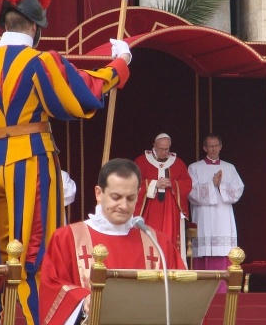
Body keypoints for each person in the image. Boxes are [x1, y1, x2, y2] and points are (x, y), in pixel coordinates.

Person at [0, 0, 131, 324]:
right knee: (33, 255)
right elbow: (80, 95)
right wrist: (119, 64)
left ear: (5, 24)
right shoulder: (40, 63)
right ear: (35, 26)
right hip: (31, 163)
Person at [39, 158, 185, 325]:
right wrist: (81, 300)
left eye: (130, 198)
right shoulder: (67, 238)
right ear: (99, 193)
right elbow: (51, 287)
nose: (123, 206)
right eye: (116, 197)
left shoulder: (157, 242)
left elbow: (180, 294)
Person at [187, 133, 244, 291]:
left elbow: (238, 190)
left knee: (223, 252)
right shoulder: (194, 168)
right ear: (204, 148)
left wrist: (220, 186)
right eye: (210, 146)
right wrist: (211, 184)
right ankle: (202, 291)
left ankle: (224, 291)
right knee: (204, 253)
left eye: (216, 145)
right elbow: (191, 192)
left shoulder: (229, 167)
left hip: (223, 215)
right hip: (203, 215)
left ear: (220, 146)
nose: (213, 149)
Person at [134, 133, 192, 262]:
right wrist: (154, 184)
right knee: (150, 237)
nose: (164, 152)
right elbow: (133, 183)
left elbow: (188, 184)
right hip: (149, 208)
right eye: (161, 149)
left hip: (170, 210)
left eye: (166, 149)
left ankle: (171, 264)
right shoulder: (142, 161)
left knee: (169, 237)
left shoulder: (178, 163)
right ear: (154, 146)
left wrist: (173, 184)